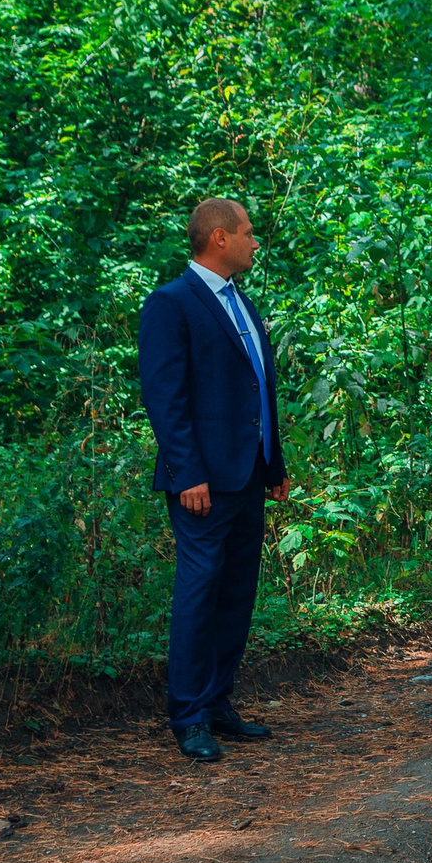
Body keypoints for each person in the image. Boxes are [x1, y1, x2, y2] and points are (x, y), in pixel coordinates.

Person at [137, 197, 288, 762]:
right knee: (198, 596)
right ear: (219, 239)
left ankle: (219, 703)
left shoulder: (241, 303)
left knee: (236, 594)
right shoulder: (171, 304)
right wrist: (186, 473)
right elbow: (165, 398)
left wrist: (273, 465)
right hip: (202, 481)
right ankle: (189, 716)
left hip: (248, 475)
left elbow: (257, 390)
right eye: (248, 233)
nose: (255, 242)